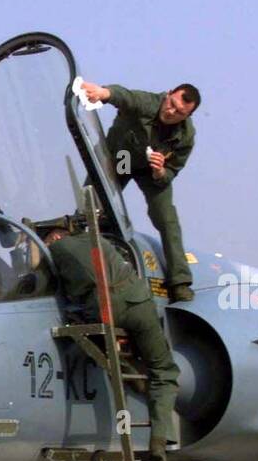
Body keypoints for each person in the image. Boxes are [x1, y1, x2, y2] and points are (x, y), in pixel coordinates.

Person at [43, 224, 180, 461]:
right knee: (163, 370)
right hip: (137, 303)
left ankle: (130, 373)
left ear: (54, 238)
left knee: (105, 350)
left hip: (102, 310)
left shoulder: (56, 250)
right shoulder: (99, 241)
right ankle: (160, 439)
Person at [79, 81, 201, 304]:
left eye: (179, 113)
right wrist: (102, 93)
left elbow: (173, 170)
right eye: (171, 104)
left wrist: (160, 171)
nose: (171, 112)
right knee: (91, 206)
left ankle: (180, 282)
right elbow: (125, 96)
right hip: (123, 158)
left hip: (151, 170)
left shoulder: (186, 136)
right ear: (168, 93)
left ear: (187, 117)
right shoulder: (148, 103)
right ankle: (74, 254)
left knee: (167, 220)